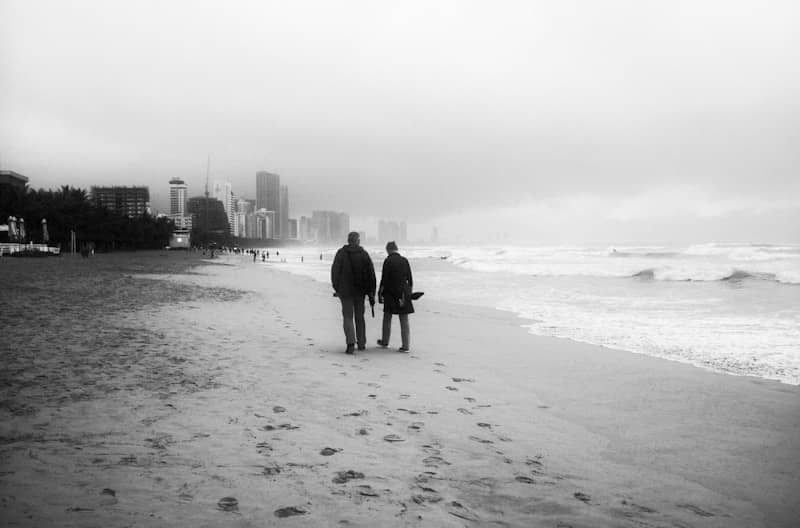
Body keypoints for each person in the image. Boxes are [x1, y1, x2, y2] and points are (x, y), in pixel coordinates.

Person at [331, 232, 376, 354]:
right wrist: (371, 291)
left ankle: (350, 343)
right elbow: (371, 275)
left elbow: (335, 272)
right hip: (360, 291)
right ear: (358, 241)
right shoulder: (364, 254)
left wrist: (337, 288)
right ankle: (361, 343)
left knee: (347, 317)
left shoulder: (341, 253)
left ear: (348, 240)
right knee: (360, 317)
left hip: (345, 292)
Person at [377, 241, 413, 352]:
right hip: (403, 292)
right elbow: (410, 279)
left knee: (387, 317)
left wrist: (380, 293)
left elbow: (384, 279)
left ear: (388, 249)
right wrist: (409, 293)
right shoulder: (404, 260)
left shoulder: (388, 261)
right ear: (397, 249)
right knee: (404, 319)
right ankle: (406, 345)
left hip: (390, 292)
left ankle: (385, 341)